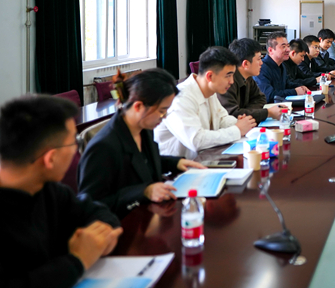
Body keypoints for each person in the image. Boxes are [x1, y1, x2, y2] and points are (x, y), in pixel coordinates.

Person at [0, 95, 122, 288]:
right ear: (50, 158)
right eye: (74, 142)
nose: (76, 150)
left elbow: (95, 211)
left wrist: (102, 236)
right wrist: (78, 260)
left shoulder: (46, 188)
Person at [79, 69, 207, 219]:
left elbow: (142, 163)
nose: (165, 116)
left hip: (149, 215)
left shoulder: (144, 128)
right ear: (138, 106)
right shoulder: (103, 147)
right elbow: (91, 205)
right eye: (162, 111)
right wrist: (144, 191)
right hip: (122, 223)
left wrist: (175, 163)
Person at [155, 47, 257, 159]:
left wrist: (239, 123)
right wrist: (237, 129)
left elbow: (222, 119)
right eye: (228, 76)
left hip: (203, 159)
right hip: (178, 167)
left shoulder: (210, 92)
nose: (232, 81)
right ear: (210, 76)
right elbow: (196, 140)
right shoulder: (180, 98)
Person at [219, 38, 280, 123]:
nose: (261, 63)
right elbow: (233, 114)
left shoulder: (248, 77)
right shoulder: (227, 82)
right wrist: (267, 113)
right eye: (258, 59)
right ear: (246, 64)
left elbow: (261, 98)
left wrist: (245, 112)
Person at [253, 32, 311, 102]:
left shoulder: (282, 65)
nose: (288, 50)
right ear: (271, 50)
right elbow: (269, 95)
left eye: (288, 46)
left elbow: (287, 83)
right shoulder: (262, 68)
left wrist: (300, 87)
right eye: (283, 46)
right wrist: (295, 91)